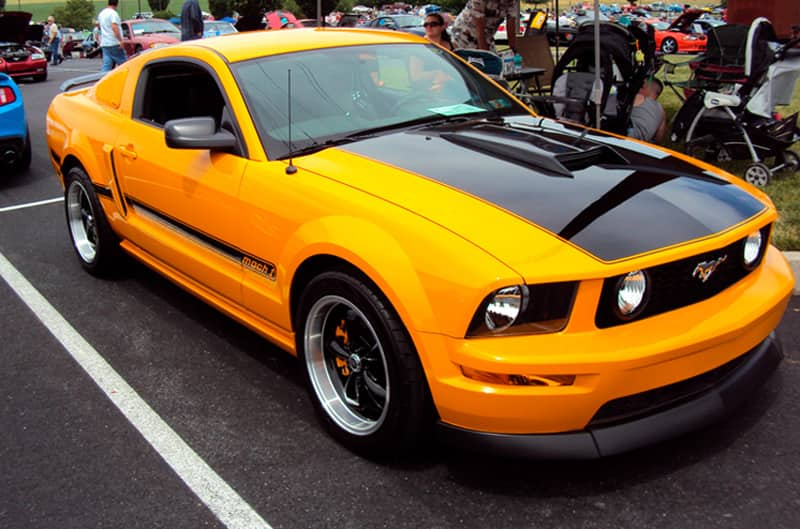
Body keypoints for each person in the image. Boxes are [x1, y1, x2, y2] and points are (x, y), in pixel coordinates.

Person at [450, 0, 518, 53]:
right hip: (463, 36)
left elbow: (511, 28)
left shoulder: (512, 2)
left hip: (487, 36)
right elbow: (479, 31)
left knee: (496, 64)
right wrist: (486, 55)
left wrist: (514, 51)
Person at [628, 78, 666, 144]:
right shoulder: (662, 111)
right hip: (643, 142)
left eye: (641, 86)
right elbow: (659, 138)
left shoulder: (639, 97)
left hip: (630, 133)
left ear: (647, 88)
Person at [98, 0, 127, 72]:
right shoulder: (113, 14)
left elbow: (99, 26)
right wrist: (120, 40)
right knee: (124, 64)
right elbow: (114, 27)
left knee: (107, 65)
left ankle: (102, 80)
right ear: (116, 4)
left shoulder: (101, 14)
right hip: (114, 43)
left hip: (105, 43)